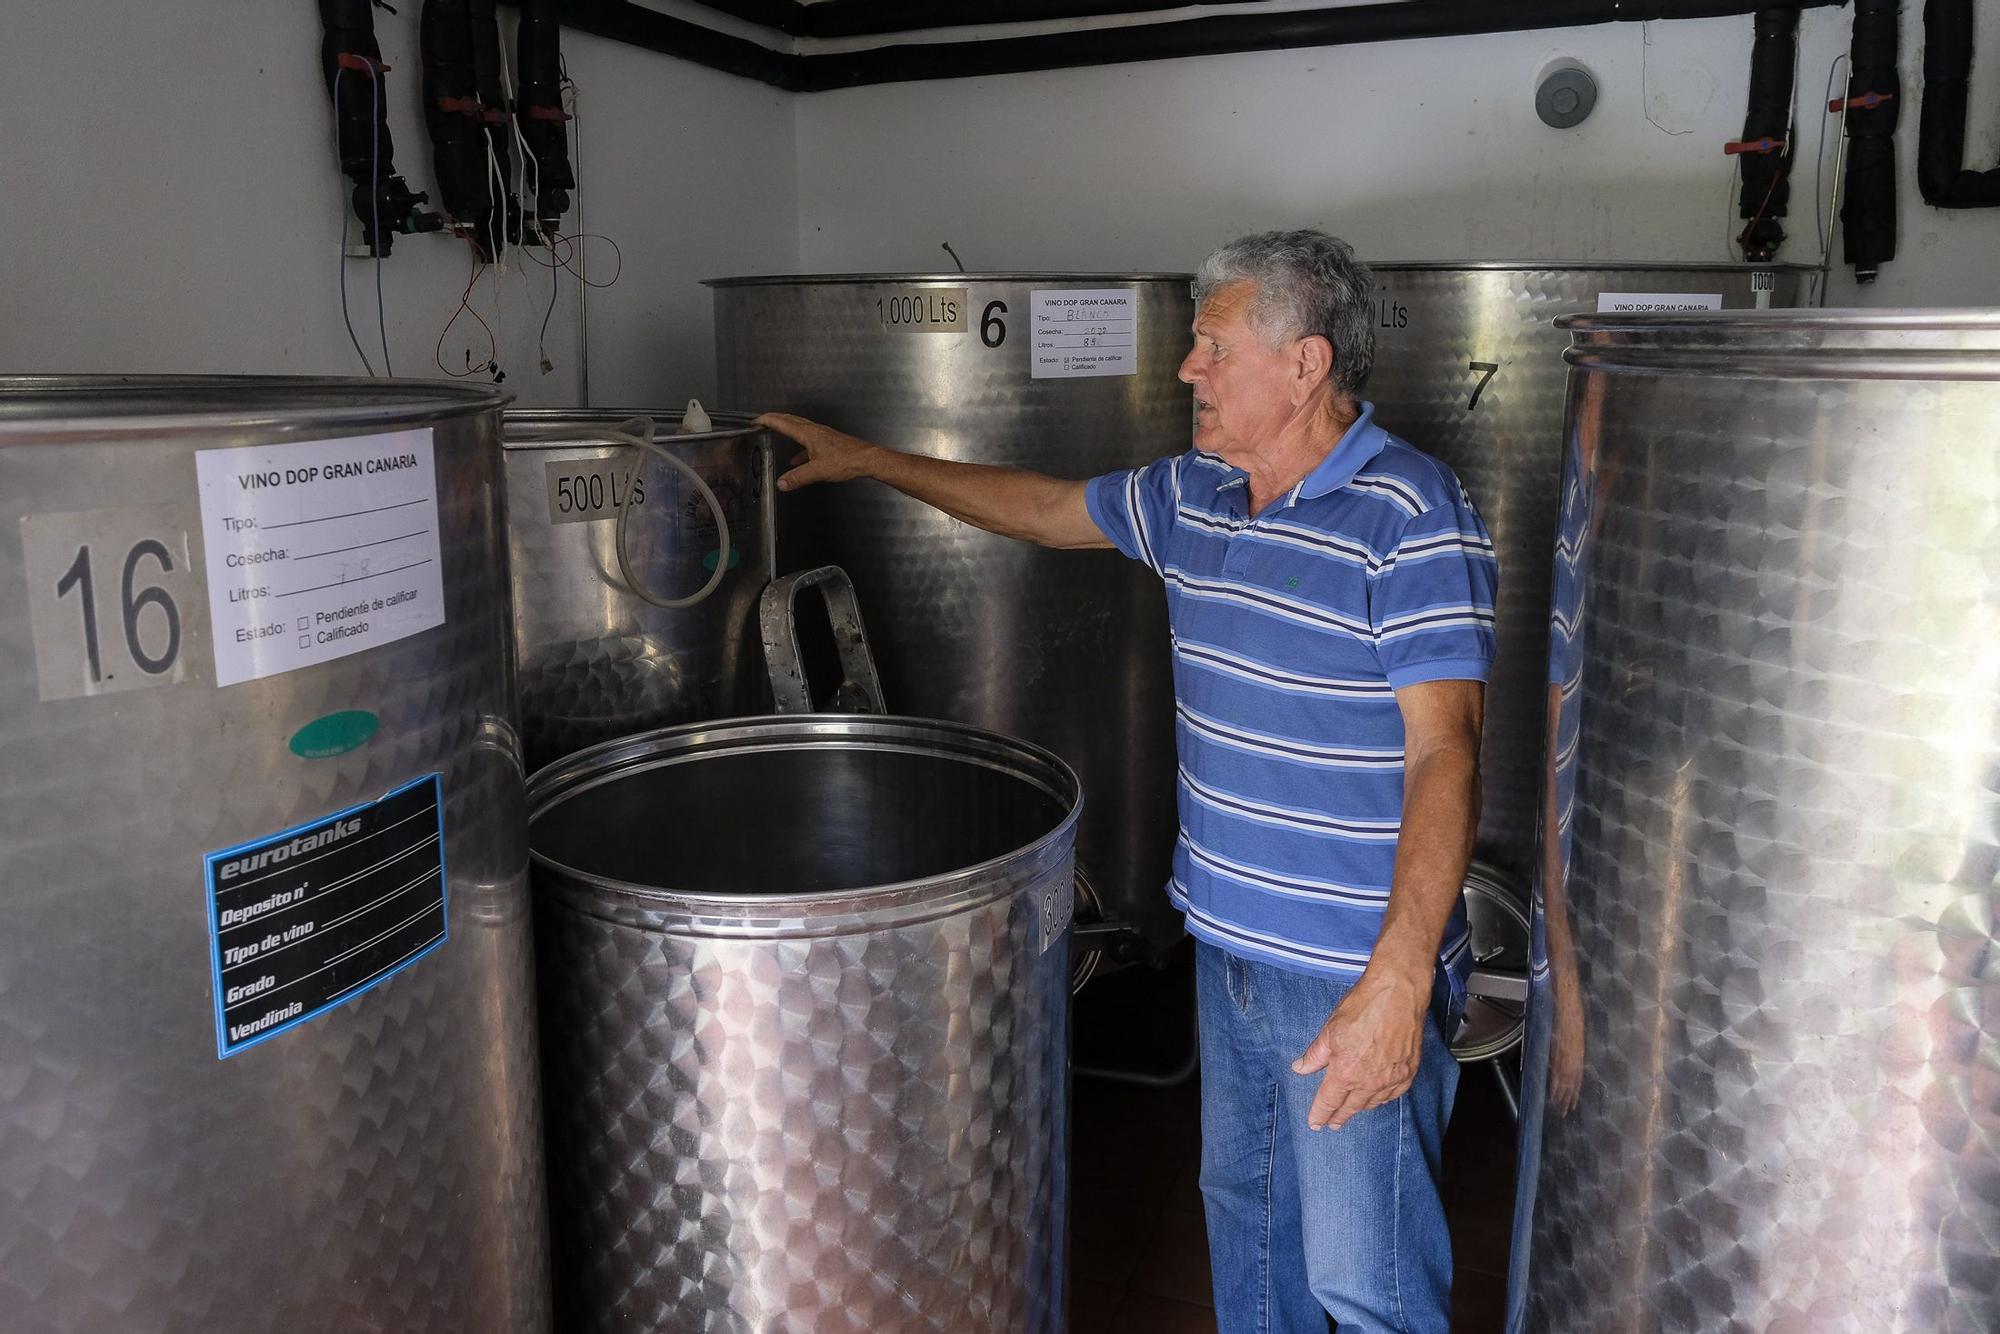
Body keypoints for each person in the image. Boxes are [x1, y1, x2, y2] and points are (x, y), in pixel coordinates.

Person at [756, 229, 1497, 1333]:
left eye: (1212, 347)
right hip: (1230, 950)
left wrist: (1396, 979)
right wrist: (870, 460)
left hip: (1346, 969)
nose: (1188, 369)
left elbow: (1448, 751)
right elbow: (1043, 507)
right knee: (1248, 1239)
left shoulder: (1409, 512)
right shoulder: (1191, 495)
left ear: (1304, 363)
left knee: (1365, 1278)